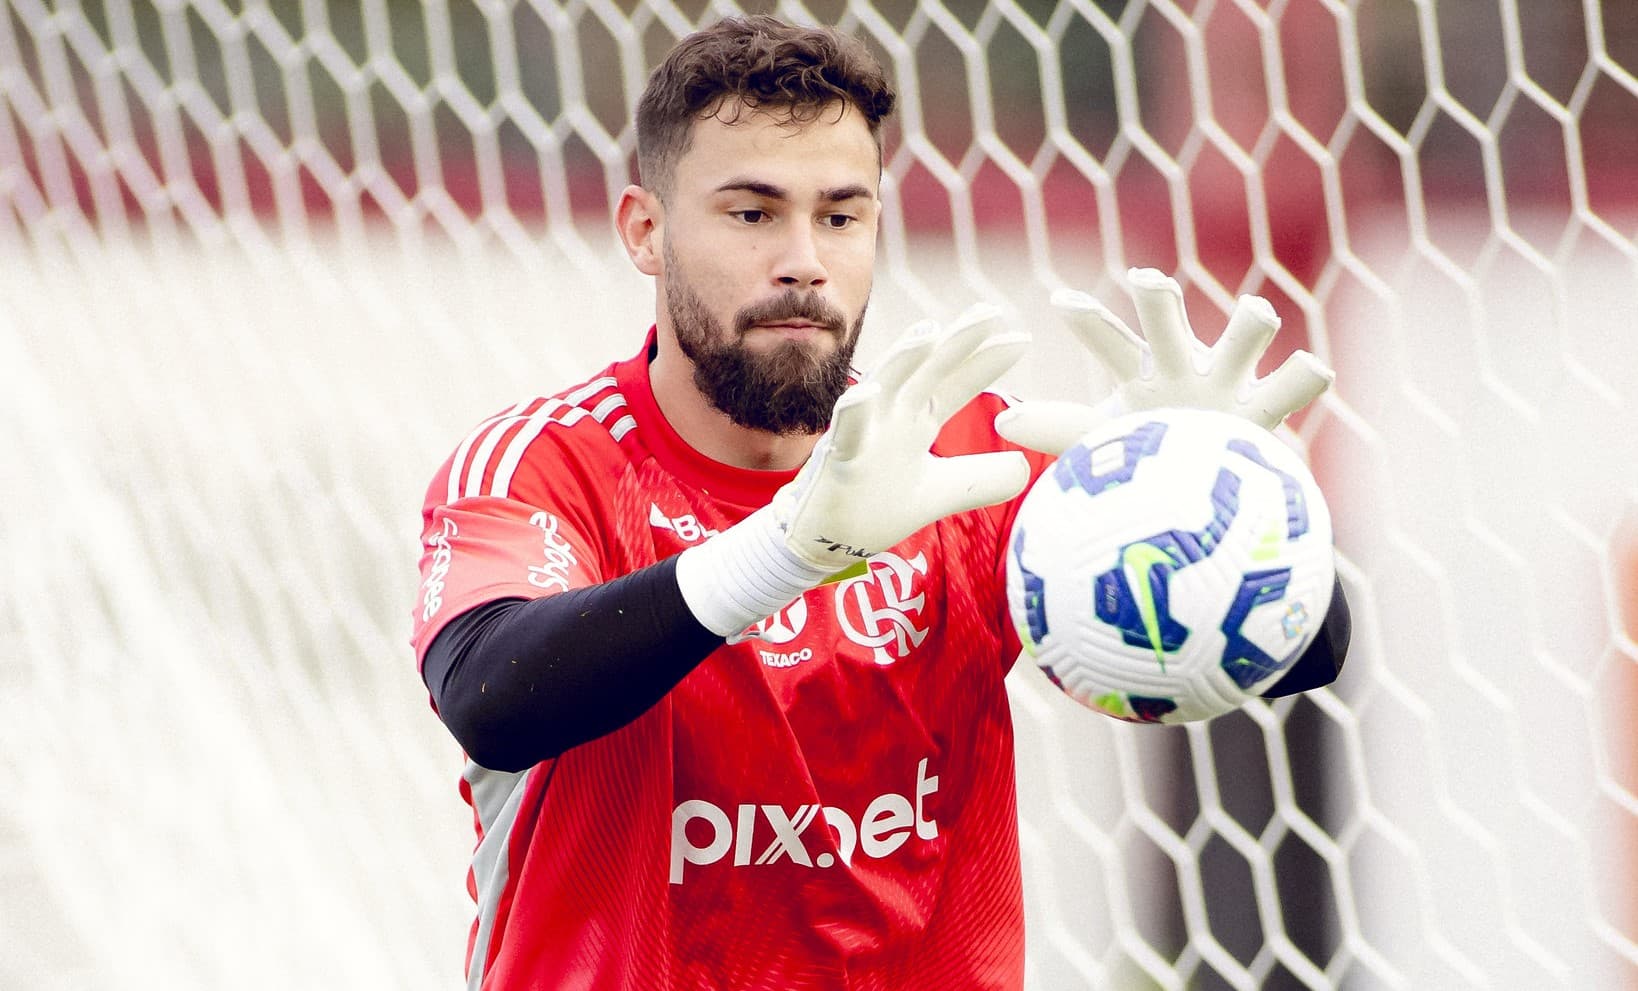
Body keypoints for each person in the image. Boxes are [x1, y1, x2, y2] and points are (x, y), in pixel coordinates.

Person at [410, 14, 1350, 990]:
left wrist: (1219, 493)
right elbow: (491, 696)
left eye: (841, 216)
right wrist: (788, 548)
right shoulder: (544, 466)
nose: (803, 261)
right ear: (645, 231)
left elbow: (1313, 650)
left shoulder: (965, 459)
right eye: (752, 214)